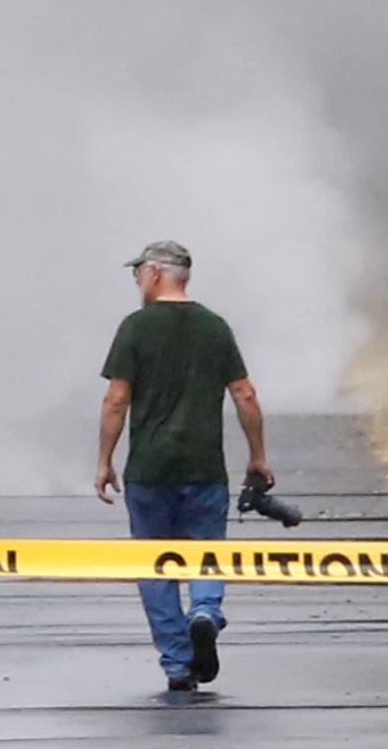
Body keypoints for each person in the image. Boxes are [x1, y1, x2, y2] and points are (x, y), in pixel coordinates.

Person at [95, 240, 273, 694]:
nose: (137, 280)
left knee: (155, 565)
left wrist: (104, 461)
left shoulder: (135, 328)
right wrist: (257, 456)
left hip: (150, 471)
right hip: (203, 467)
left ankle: (177, 663)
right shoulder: (215, 328)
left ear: (155, 273)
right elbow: (245, 395)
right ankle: (205, 613)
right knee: (207, 549)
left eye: (139, 272)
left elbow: (117, 398)